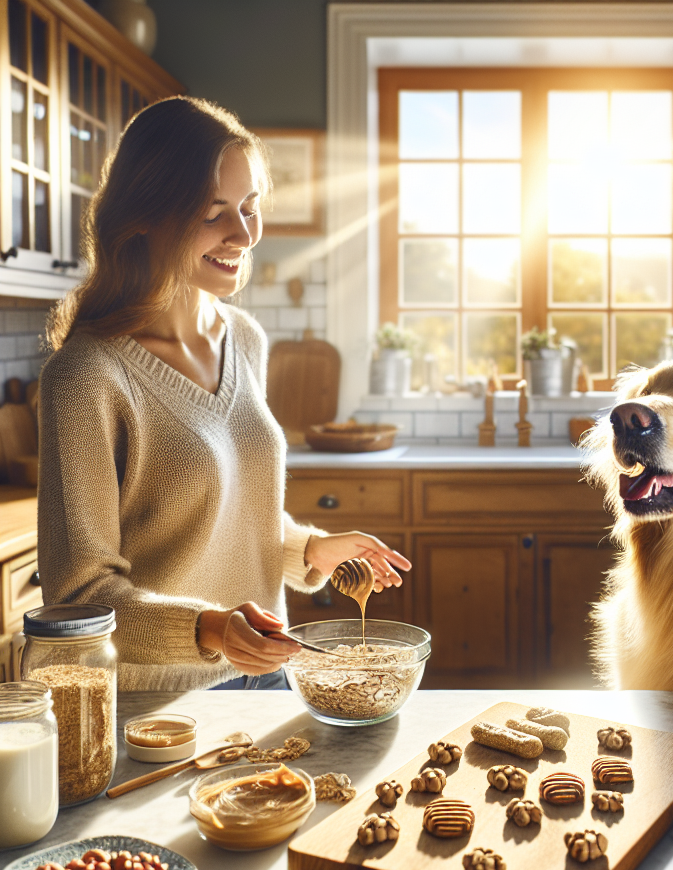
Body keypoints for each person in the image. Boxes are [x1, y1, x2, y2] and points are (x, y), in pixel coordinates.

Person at [37, 96, 410, 691]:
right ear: (143, 217)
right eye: (214, 214)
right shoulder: (87, 377)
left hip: (265, 677)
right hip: (158, 711)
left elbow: (235, 517)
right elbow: (79, 597)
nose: (243, 233)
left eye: (250, 207)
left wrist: (311, 550)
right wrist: (208, 629)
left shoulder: (245, 338)